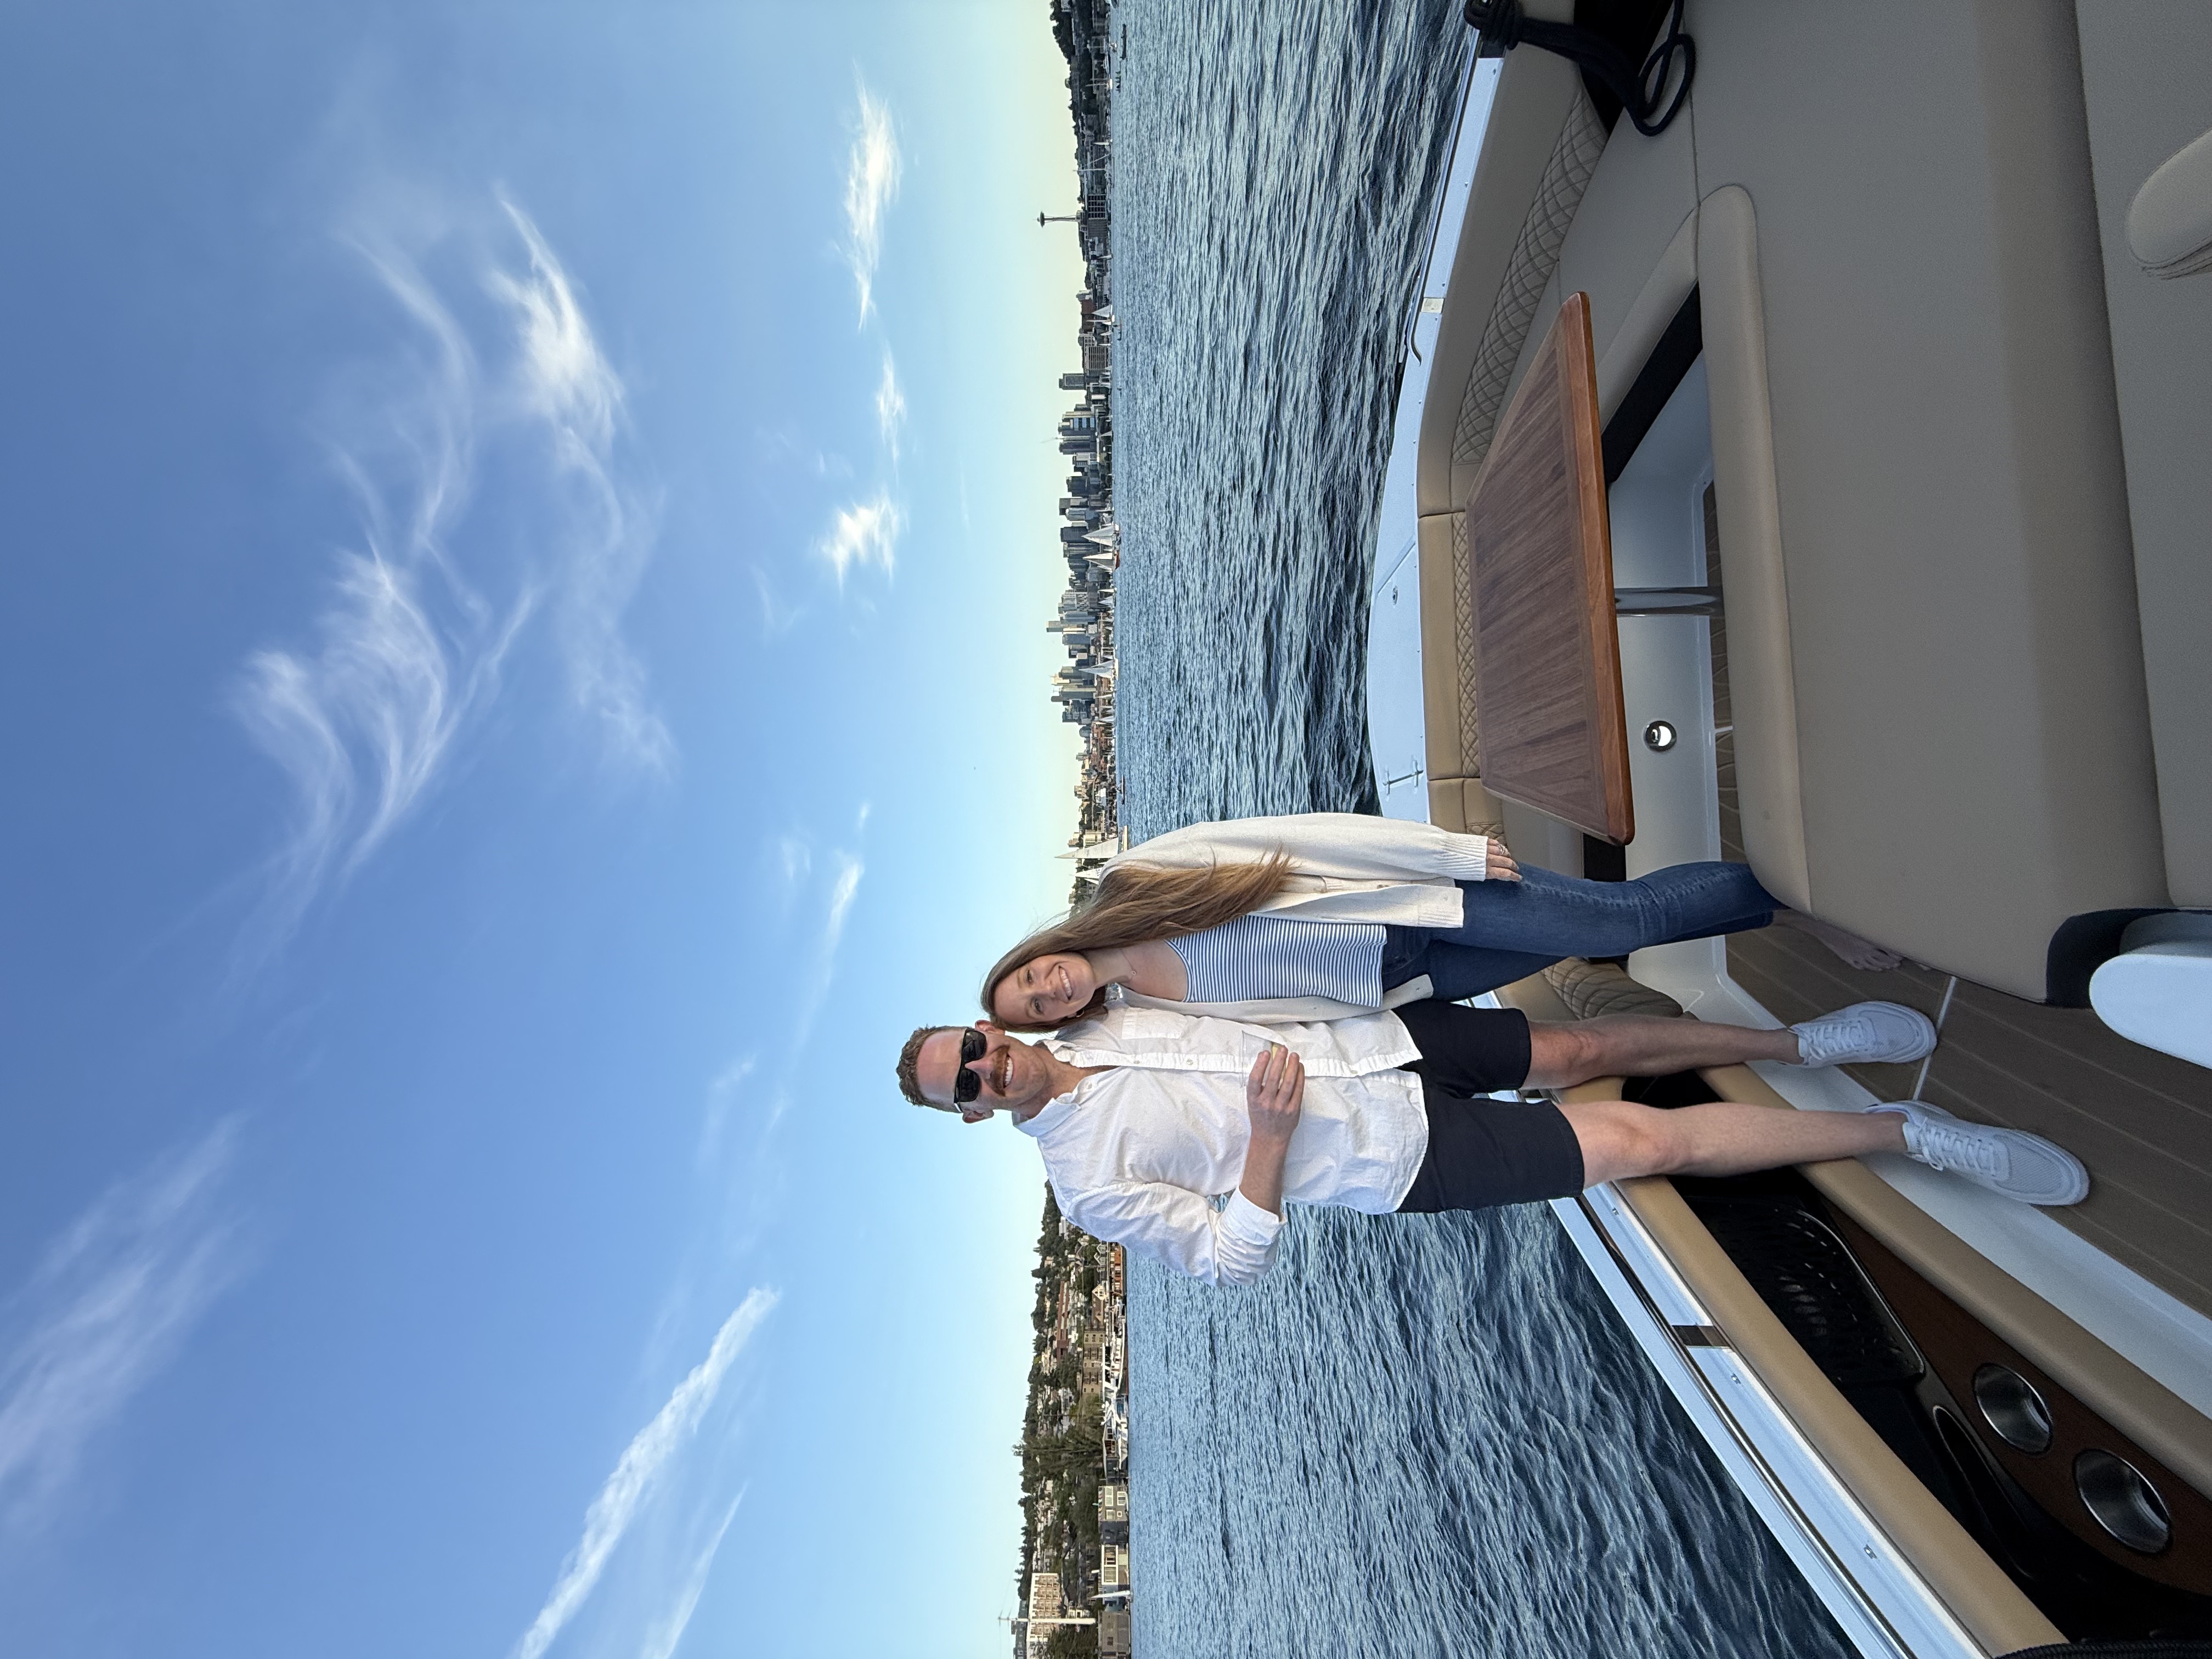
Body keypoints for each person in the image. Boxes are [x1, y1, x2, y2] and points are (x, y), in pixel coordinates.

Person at [896, 999, 2087, 1284]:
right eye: (969, 1086)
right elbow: (1227, 1258)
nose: (988, 1068)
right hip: (1393, 1162)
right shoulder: (1085, 1186)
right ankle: (1906, 1133)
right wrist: (1266, 1142)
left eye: (974, 1047)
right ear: (973, 1114)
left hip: (1384, 1041)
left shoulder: (1098, 1013)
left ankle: (1800, 1038)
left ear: (987, 1025)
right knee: (1639, 1143)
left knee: (1584, 1045)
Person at [983, 812, 1897, 1032]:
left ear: (1038, 952)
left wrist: (1444, 853)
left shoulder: (1134, 881)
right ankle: (1786, 915)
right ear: (1061, 1019)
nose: (1049, 989)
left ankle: (1805, 901)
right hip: (1409, 981)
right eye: (1040, 1008)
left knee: (1625, 922)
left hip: (1417, 905)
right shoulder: (1146, 1018)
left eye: (1030, 977)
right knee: (1612, 932)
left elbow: (1299, 838)